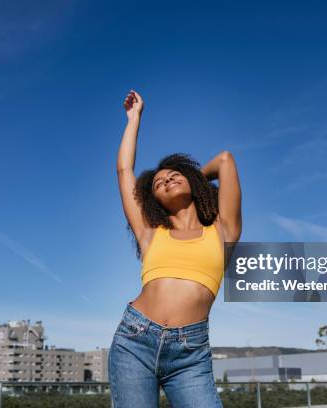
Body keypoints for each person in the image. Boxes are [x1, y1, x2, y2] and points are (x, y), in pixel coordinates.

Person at [109, 89, 242, 407]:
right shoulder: (150, 232)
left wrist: (194, 176)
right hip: (134, 340)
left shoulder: (223, 231)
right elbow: (125, 171)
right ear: (153, 200)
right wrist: (134, 119)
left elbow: (225, 160)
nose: (167, 180)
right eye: (158, 183)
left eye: (174, 175)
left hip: (190, 354)